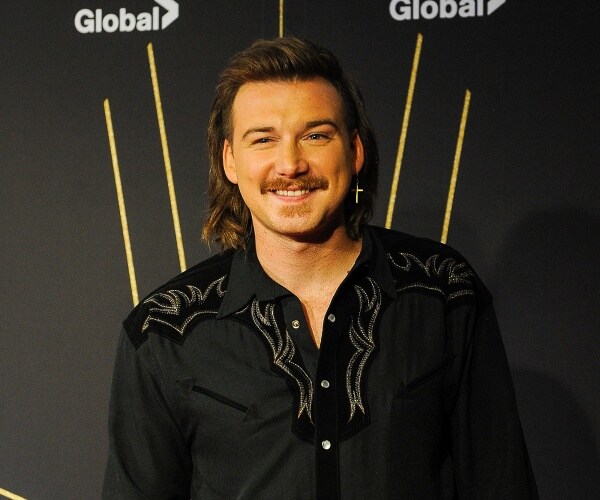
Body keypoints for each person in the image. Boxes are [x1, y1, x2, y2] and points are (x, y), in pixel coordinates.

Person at [102, 37, 538, 499]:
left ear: (355, 150)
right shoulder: (164, 331)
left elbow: (502, 485)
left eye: (315, 136)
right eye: (263, 139)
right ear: (229, 160)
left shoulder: (444, 293)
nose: (290, 164)